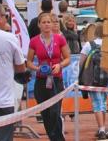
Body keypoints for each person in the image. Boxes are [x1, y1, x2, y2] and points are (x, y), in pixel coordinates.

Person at [0, 2, 28, 141]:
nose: (6, 20)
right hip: (3, 101)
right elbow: (21, 68)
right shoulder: (9, 38)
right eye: (5, 16)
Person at [27, 12, 70, 141]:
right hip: (41, 81)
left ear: (52, 24)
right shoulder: (34, 41)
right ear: (39, 25)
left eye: (48, 22)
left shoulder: (59, 39)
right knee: (45, 114)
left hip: (56, 80)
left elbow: (68, 58)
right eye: (44, 22)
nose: (46, 24)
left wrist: (59, 65)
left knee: (55, 112)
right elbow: (29, 62)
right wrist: (37, 68)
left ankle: (58, 139)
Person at [80, 23, 107, 139]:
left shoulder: (89, 44)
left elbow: (81, 62)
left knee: (97, 103)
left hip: (92, 78)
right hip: (105, 78)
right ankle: (102, 127)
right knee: (103, 102)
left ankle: (101, 129)